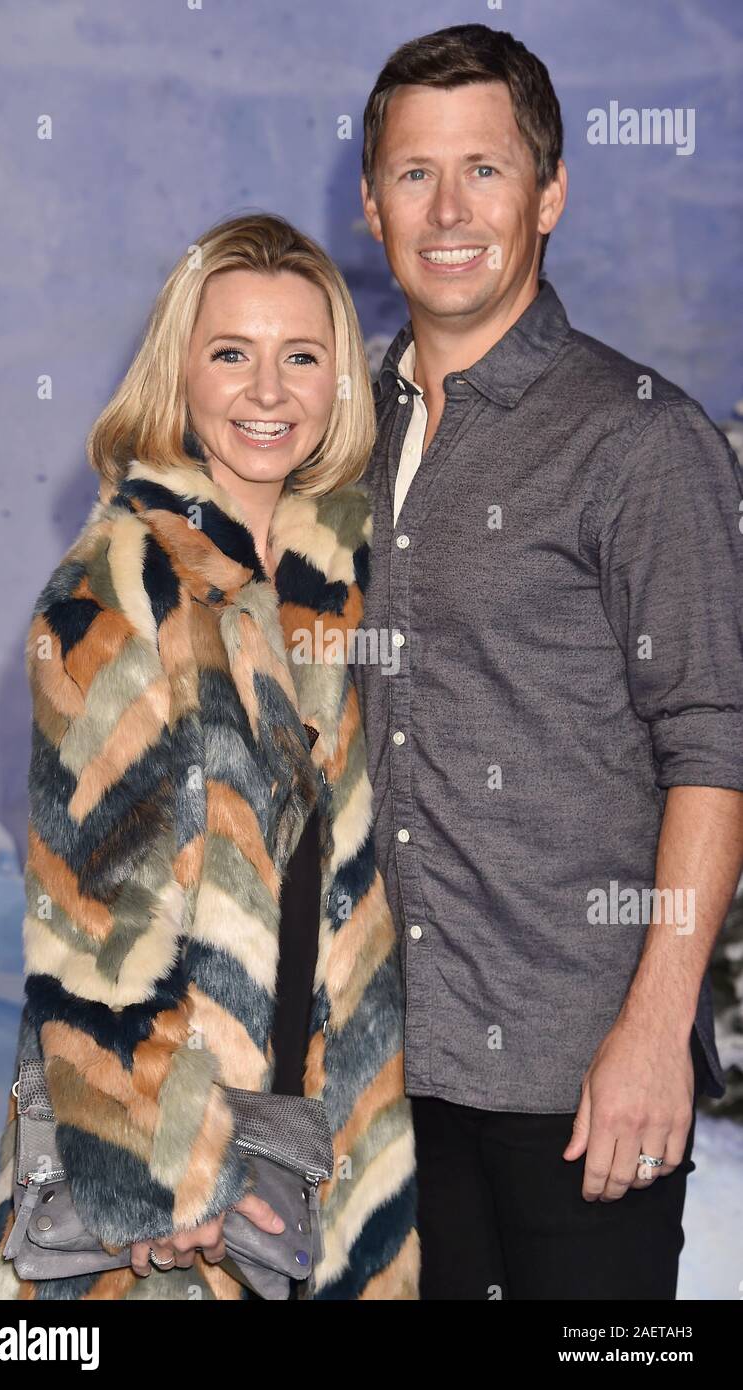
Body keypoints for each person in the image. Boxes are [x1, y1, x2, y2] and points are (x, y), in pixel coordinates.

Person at [354, 22, 743, 1300]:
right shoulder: (335, 430)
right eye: (417, 173)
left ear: (552, 193)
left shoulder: (642, 444)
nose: (451, 208)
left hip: (585, 1083)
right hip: (389, 1085)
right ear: (371, 202)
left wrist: (654, 1032)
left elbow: (716, 743)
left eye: (488, 169)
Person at [0, 212, 419, 1301]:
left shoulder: (353, 578)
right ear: (182, 373)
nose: (267, 392)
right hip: (169, 1186)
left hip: (332, 1152)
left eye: (300, 356)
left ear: (339, 384)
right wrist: (166, 1181)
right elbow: (93, 931)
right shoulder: (113, 590)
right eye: (232, 354)